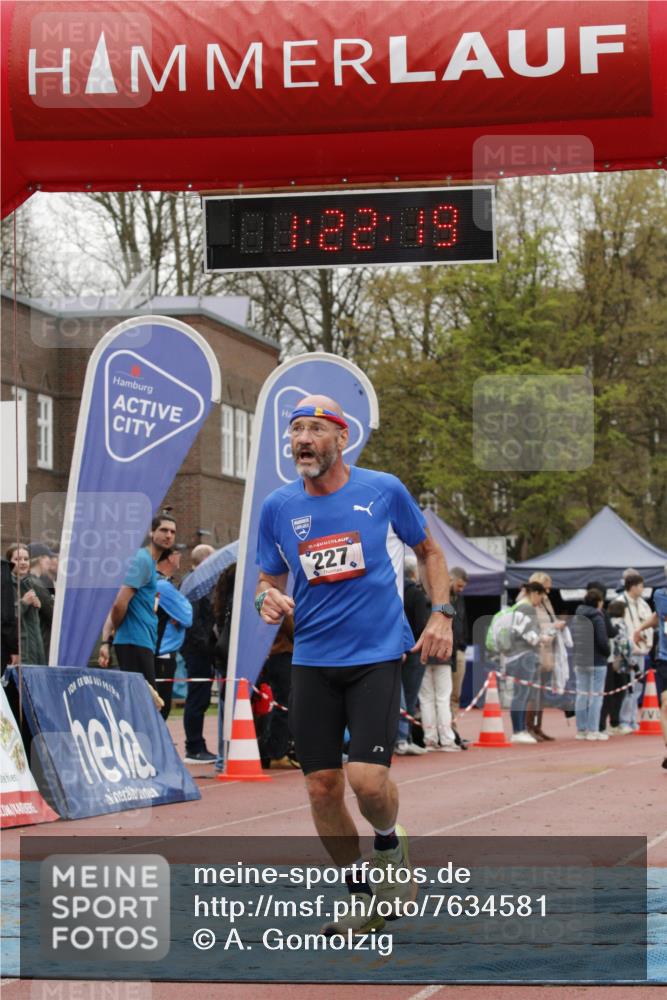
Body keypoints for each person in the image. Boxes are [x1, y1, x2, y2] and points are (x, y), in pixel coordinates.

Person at [255, 394, 454, 935]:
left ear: (342, 439)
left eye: (315, 428)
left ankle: (390, 845)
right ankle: (361, 893)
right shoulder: (278, 507)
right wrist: (264, 600)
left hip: (376, 655)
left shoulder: (382, 489)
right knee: (321, 787)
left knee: (367, 781)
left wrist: (440, 613)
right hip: (313, 659)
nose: (302, 439)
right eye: (296, 429)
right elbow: (267, 579)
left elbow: (430, 552)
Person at [98, 513, 177, 684]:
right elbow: (119, 604)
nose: (169, 535)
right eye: (164, 530)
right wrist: (117, 632)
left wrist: (105, 642)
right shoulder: (142, 560)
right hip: (134, 641)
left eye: (172, 532)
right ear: (151, 532)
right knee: (147, 702)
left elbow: (117, 602)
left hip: (141, 641)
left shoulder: (147, 561)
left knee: (140, 702)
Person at [182, 544, 217, 764]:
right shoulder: (195, 585)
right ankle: (194, 746)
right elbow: (193, 622)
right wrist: (207, 647)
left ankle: (196, 744)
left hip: (199, 649)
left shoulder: (198, 583)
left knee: (200, 697)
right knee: (197, 697)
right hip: (197, 651)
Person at [632, 563, 667, 770]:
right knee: (665, 703)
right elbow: (659, 616)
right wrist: (640, 628)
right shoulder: (660, 594)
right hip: (664, 658)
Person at [504, 581, 549, 743]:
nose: (540, 602)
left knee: (521, 694)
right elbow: (525, 633)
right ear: (535, 593)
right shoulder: (526, 608)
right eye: (541, 597)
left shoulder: (518, 607)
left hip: (517, 655)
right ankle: (518, 730)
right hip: (523, 655)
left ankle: (520, 729)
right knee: (521, 695)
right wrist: (541, 639)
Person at [394, 555, 428, 756]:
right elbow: (421, 624)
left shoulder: (391, 590)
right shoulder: (416, 594)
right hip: (413, 649)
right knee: (408, 696)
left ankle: (400, 738)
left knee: (397, 696)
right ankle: (403, 738)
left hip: (396, 648)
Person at [525, 571, 565, 742]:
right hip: (534, 649)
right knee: (531, 693)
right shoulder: (527, 603)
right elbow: (533, 626)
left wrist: (555, 626)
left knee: (541, 692)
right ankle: (528, 727)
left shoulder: (545, 602)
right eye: (545, 589)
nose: (548, 593)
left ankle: (537, 727)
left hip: (547, 650)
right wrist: (552, 626)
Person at [154, 547, 193, 720]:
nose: (181, 557)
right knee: (161, 705)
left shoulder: (158, 582)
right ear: (170, 558)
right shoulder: (162, 585)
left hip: (158, 651)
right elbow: (187, 616)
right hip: (162, 652)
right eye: (178, 553)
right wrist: (177, 612)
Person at [258, 615, 300, 769]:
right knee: (283, 706)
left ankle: (274, 751)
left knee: (277, 705)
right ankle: (277, 753)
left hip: (275, 654)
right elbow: (293, 630)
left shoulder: (269, 598)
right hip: (283, 654)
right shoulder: (282, 599)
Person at [571, 588, 611, 740]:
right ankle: (593, 729)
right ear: (599, 602)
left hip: (580, 659)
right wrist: (607, 652)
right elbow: (602, 640)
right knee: (596, 696)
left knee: (581, 694)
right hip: (597, 660)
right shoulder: (597, 616)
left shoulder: (577, 616)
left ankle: (581, 729)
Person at [619, 571, 653, 733]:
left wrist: (648, 643)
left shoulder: (644, 604)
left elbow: (650, 624)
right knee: (627, 687)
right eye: (641, 586)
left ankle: (632, 719)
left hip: (642, 650)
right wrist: (630, 646)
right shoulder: (620, 602)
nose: (643, 589)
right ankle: (623, 720)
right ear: (632, 587)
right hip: (627, 652)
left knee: (638, 686)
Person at [6, 545, 49, 664]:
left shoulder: (29, 583)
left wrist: (37, 607)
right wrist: (24, 603)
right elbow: (5, 619)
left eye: (26, 559)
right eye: (18, 559)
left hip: (36, 651)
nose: (23, 562)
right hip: (18, 654)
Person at [448, 566, 469, 748]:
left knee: (456, 695)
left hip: (459, 651)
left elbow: (463, 623)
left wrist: (463, 645)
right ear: (451, 579)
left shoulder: (460, 599)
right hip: (446, 652)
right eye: (459, 585)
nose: (461, 590)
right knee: (442, 695)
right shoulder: (441, 597)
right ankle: (445, 731)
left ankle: (453, 729)